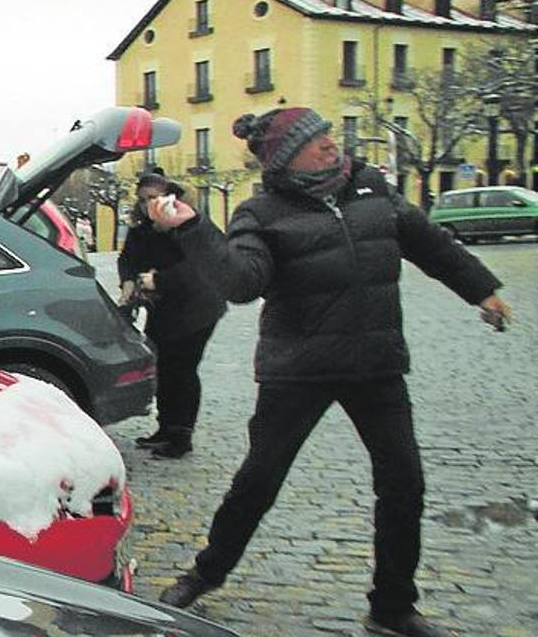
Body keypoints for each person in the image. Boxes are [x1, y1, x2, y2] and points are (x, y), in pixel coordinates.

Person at [150, 107, 512, 637]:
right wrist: (192, 228)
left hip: (376, 364)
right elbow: (242, 284)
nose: (329, 145)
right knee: (259, 480)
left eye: (327, 137)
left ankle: (392, 606)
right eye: (316, 140)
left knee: (404, 484)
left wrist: (482, 289)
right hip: (298, 371)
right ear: (285, 156)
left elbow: (430, 243)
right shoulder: (261, 212)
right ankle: (205, 573)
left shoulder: (370, 189)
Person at [117, 174, 226, 458]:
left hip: (197, 308)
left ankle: (181, 436)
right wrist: (128, 281)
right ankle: (165, 428)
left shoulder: (188, 225)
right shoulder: (142, 230)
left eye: (153, 197)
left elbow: (200, 267)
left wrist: (159, 280)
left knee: (183, 369)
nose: (146, 204)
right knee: (164, 367)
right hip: (163, 309)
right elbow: (127, 258)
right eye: (142, 199)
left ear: (170, 196)